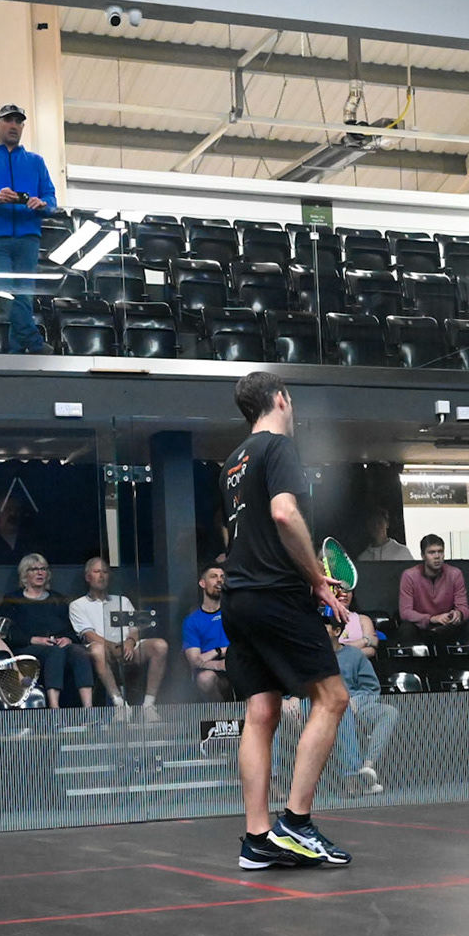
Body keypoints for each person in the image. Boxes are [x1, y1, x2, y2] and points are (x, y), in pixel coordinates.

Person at [220, 370, 352, 869]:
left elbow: (245, 535)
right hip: (275, 594)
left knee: (261, 711)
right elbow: (283, 514)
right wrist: (316, 579)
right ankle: (296, 822)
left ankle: (257, 839)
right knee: (333, 698)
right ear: (281, 399)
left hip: (238, 598)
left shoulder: (231, 464)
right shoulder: (277, 447)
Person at [0, 102, 57, 355]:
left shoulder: (35, 161)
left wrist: (43, 204)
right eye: (8, 120)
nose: (14, 126)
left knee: (23, 296)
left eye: (18, 122)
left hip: (28, 237)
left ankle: (16, 352)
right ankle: (34, 344)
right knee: (6, 290)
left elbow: (51, 197)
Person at [286, 620, 398, 796]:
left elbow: (371, 688)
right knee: (340, 706)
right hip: (317, 706)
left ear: (337, 631)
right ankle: (351, 777)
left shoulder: (354, 655)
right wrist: (289, 699)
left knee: (389, 712)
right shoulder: (306, 655)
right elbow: (292, 685)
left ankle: (367, 768)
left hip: (353, 705)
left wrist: (356, 701)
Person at [69, 557, 168, 721]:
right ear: (88, 577)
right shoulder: (77, 605)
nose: (101, 576)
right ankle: (119, 704)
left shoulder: (122, 600)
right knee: (97, 649)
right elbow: (88, 634)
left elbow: (135, 627)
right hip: (102, 651)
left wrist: (129, 642)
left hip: (128, 648)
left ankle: (149, 706)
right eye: (97, 572)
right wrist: (113, 646)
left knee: (160, 645)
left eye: (105, 572)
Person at [3, 553, 94, 708]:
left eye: (43, 569)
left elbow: (71, 629)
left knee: (80, 652)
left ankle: (88, 708)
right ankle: (54, 707)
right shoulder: (13, 599)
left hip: (57, 645)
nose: (40, 573)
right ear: (25, 574)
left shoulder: (57, 599)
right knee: (54, 652)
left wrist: (68, 639)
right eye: (34, 569)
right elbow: (6, 633)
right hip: (28, 647)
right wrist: (33, 639)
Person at [399, 534, 469, 645]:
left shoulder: (455, 574)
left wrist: (459, 614)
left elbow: (464, 607)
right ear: (423, 555)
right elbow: (405, 612)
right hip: (421, 626)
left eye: (440, 551)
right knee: (406, 628)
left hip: (447, 625)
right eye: (431, 552)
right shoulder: (409, 576)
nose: (437, 556)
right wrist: (431, 618)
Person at [181, 563, 231, 702]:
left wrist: (217, 652)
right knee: (205, 679)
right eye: (214, 577)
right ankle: (220, 713)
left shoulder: (233, 612)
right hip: (212, 672)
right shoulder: (192, 621)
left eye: (222, 577)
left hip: (236, 666)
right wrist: (218, 663)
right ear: (202, 583)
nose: (219, 580)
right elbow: (195, 661)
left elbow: (244, 649)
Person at [333, 586, 378, 659]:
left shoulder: (363, 619)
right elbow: (329, 650)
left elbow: (370, 651)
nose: (345, 594)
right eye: (339, 589)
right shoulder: (324, 619)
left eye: (348, 590)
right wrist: (365, 641)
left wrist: (340, 652)